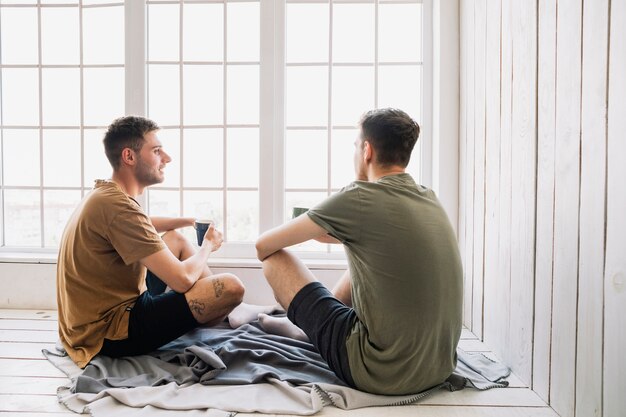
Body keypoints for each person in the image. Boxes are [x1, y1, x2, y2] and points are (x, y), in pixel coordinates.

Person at [255, 108, 463, 395]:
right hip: (437, 367)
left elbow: (264, 245)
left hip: (379, 372)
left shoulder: (358, 196)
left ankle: (308, 330)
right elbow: (382, 242)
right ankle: (311, 331)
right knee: (366, 258)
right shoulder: (428, 197)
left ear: (367, 150)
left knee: (274, 261)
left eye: (356, 146)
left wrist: (316, 222)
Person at [56, 115, 262, 368]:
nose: (167, 158)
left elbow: (140, 224)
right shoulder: (118, 206)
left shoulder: (106, 196)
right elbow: (182, 280)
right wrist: (207, 245)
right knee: (231, 287)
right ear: (129, 157)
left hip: (94, 322)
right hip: (111, 333)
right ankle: (225, 308)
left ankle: (229, 312)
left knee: (174, 239)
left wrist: (184, 221)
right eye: (156, 151)